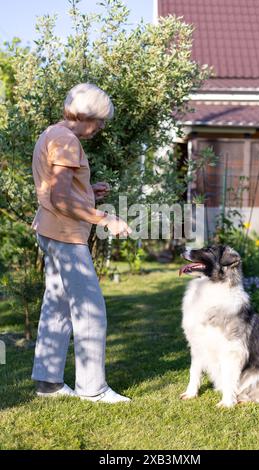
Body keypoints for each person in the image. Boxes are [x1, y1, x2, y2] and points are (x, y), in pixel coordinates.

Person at [31, 83, 132, 403]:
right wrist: (105, 218)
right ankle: (93, 389)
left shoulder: (52, 133)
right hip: (65, 236)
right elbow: (60, 198)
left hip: (50, 230)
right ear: (86, 116)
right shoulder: (67, 141)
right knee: (90, 310)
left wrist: (88, 192)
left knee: (57, 305)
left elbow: (57, 188)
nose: (101, 128)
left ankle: (48, 383)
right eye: (101, 121)